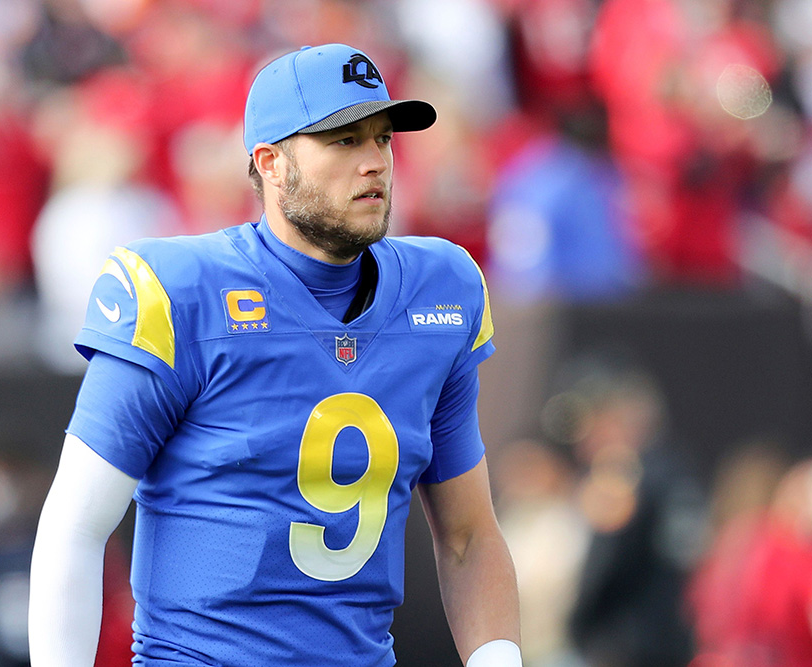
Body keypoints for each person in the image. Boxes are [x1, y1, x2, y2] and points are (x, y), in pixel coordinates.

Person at [28, 43, 521, 667]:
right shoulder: (181, 292)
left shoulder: (441, 288)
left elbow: (468, 536)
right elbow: (75, 524)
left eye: (382, 140)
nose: (374, 163)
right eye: (343, 141)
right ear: (272, 163)